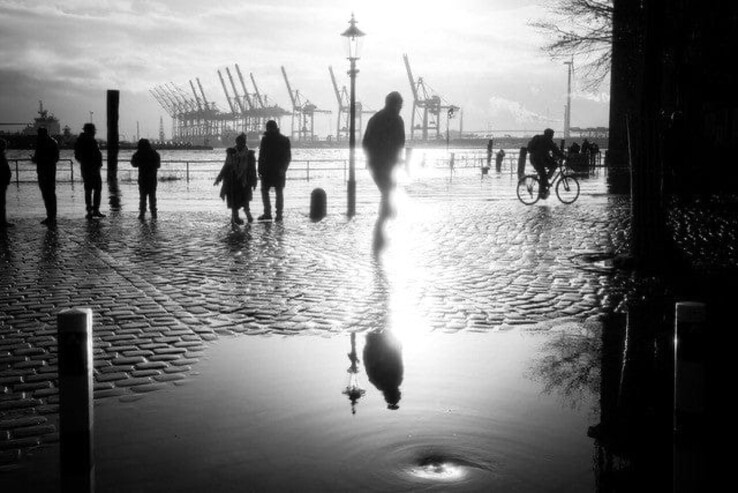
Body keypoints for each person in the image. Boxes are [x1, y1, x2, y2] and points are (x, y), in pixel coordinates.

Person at [362, 91, 405, 219]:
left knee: (387, 190)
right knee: (388, 189)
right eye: (399, 105)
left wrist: (371, 158)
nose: (400, 108)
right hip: (385, 163)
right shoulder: (397, 120)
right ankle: (387, 215)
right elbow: (400, 143)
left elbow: (365, 143)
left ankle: (386, 216)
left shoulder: (375, 119)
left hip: (377, 163)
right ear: (394, 105)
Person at [215, 133, 257, 224]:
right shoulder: (231, 153)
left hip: (244, 180)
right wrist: (219, 178)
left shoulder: (249, 154)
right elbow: (226, 166)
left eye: (242, 143)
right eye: (239, 142)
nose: (240, 144)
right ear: (236, 142)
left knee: (245, 200)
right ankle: (236, 217)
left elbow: (253, 169)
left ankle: (247, 216)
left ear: (244, 143)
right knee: (234, 200)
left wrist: (254, 181)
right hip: (233, 179)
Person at [257, 121, 291, 222]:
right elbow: (287, 157)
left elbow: (261, 156)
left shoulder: (265, 139)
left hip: (267, 170)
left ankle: (267, 213)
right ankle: (279, 215)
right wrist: (283, 169)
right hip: (278, 171)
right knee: (279, 192)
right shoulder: (284, 139)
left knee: (265, 191)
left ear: (267, 128)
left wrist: (260, 169)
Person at [74, 123, 105, 219]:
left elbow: (77, 156)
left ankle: (92, 211)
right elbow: (80, 155)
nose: (94, 132)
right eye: (93, 130)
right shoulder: (87, 140)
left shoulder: (82, 140)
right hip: (91, 168)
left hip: (89, 168)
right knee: (95, 189)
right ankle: (93, 210)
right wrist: (90, 164)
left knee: (90, 190)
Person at [31, 127, 59, 226]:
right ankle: (52, 216)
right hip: (51, 171)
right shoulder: (54, 142)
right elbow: (56, 158)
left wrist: (34, 159)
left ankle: (50, 216)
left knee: (46, 194)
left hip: (42, 171)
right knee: (51, 194)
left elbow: (37, 158)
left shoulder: (40, 143)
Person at [527, 128, 565, 199]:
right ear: (549, 134)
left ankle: (545, 181)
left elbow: (554, 150)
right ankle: (542, 191)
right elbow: (556, 150)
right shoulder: (547, 140)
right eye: (552, 135)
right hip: (537, 159)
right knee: (543, 173)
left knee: (552, 166)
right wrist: (564, 157)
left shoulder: (543, 139)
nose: (552, 136)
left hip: (537, 158)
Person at [131, 138, 161, 220]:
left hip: (142, 178)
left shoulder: (139, 154)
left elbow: (134, 164)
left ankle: (142, 213)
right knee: (152, 196)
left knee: (142, 197)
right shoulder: (154, 153)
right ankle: (154, 213)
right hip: (152, 178)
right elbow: (158, 165)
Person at [0, 138, 13, 227]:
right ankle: (2, 222)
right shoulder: (1, 157)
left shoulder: (2, 156)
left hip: (3, 181)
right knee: (2, 203)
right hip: (2, 182)